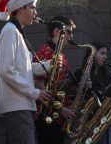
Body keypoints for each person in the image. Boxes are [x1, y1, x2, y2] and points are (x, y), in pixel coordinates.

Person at [0, 0, 52, 144]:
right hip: (17, 105)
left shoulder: (16, 32)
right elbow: (6, 70)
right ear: (20, 8)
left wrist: (52, 64)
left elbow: (26, 67)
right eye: (32, 7)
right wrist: (34, 92)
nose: (35, 12)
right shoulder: (10, 31)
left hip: (22, 104)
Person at [33, 15, 77, 144]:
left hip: (56, 117)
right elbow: (38, 84)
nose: (71, 37)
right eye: (69, 32)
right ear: (57, 31)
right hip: (48, 116)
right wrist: (61, 109)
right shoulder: (45, 52)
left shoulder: (60, 54)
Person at [75, 41, 111, 144]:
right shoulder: (80, 73)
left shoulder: (108, 76)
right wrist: (82, 87)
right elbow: (75, 98)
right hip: (86, 122)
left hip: (103, 121)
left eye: (106, 53)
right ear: (92, 54)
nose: (105, 57)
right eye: (102, 53)